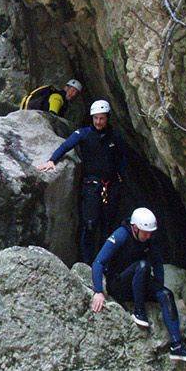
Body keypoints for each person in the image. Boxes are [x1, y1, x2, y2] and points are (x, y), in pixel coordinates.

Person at [90, 207, 186, 361]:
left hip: (139, 282)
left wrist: (159, 286)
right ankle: (139, 313)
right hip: (119, 284)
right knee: (142, 265)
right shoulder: (121, 235)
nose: (148, 236)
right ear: (134, 228)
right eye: (145, 232)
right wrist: (98, 291)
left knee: (166, 294)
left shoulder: (150, 240)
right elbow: (98, 262)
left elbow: (158, 263)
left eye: (150, 233)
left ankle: (177, 345)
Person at [37, 100, 126, 263]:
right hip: (92, 185)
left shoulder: (115, 137)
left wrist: (120, 177)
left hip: (111, 185)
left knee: (107, 225)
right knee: (90, 224)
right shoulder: (84, 134)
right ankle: (86, 263)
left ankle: (104, 263)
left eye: (102, 118)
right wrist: (52, 161)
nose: (98, 122)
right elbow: (66, 146)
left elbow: (122, 157)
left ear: (107, 118)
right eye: (96, 118)